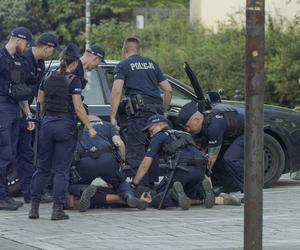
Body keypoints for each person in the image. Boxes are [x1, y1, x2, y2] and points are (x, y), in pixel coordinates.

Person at [29, 43, 97, 220]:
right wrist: (90, 127)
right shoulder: (74, 80)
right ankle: (57, 210)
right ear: (74, 64)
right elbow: (78, 107)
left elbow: (40, 100)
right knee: (61, 170)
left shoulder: (48, 77)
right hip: (64, 126)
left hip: (47, 125)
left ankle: (34, 208)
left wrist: (44, 119)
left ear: (61, 60)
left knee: (42, 167)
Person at [110, 37, 172, 186]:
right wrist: (162, 112)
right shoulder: (152, 64)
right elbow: (168, 90)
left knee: (136, 149)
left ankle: (141, 189)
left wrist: (112, 116)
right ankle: (151, 185)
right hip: (155, 111)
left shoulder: (123, 65)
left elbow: (117, 91)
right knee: (152, 148)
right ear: (140, 50)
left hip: (139, 112)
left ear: (124, 51)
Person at [131, 114, 215, 209]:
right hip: (200, 170)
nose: (151, 135)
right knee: (186, 190)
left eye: (151, 130)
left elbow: (145, 164)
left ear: (159, 125)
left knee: (158, 196)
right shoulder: (185, 134)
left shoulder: (158, 136)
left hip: (182, 169)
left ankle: (172, 196)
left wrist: (134, 184)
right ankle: (201, 192)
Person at [69, 115, 148, 212]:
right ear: (99, 120)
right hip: (107, 159)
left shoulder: (80, 129)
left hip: (85, 162)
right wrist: (122, 161)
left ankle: (83, 189)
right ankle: (128, 195)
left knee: (72, 184)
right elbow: (119, 143)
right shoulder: (108, 125)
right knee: (120, 183)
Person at [17, 32, 61, 203]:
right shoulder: (24, 59)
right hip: (17, 109)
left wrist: (39, 114)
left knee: (26, 153)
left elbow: (37, 93)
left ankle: (30, 193)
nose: (53, 53)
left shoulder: (40, 63)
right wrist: (27, 113)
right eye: (52, 50)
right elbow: (20, 89)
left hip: (26, 111)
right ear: (46, 47)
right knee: (10, 153)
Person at [0, 27, 35, 211]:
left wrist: (28, 115)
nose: (27, 47)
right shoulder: (1, 58)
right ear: (18, 40)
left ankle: (4, 195)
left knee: (9, 154)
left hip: (14, 110)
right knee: (3, 154)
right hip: (2, 109)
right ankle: (1, 196)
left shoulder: (19, 61)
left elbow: (21, 91)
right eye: (26, 43)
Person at [176, 101, 244, 194]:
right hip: (230, 136)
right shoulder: (200, 129)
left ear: (197, 119)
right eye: (185, 128)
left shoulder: (214, 126)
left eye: (188, 126)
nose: (187, 130)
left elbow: (211, 159)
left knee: (230, 158)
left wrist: (203, 177)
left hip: (249, 132)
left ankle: (250, 190)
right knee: (217, 162)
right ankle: (230, 187)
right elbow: (199, 153)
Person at [66, 181, 190, 211]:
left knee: (155, 201)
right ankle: (198, 198)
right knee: (158, 197)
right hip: (134, 189)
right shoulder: (88, 192)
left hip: (133, 194)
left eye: (73, 203)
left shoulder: (93, 197)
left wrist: (137, 201)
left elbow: (118, 198)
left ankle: (173, 196)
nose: (74, 206)